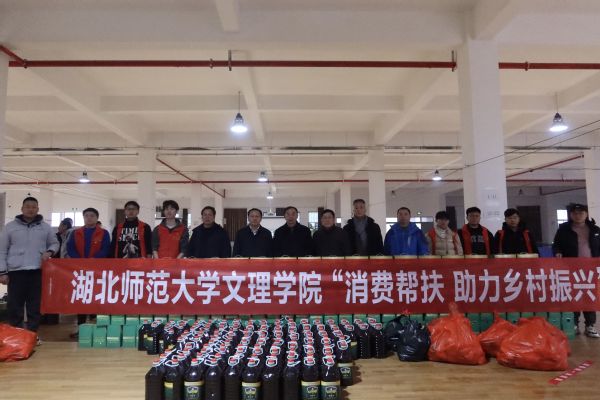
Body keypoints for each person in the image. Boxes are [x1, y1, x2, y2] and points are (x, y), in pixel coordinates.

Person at [0, 197, 59, 340]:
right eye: (27, 206)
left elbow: (55, 243)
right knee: (15, 306)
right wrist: (2, 272)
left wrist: (49, 252)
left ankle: (32, 336)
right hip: (16, 272)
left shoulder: (45, 227)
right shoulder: (10, 227)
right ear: (22, 209)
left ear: (38, 209)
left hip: (37, 271)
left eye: (33, 207)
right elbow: (2, 250)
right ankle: (16, 338)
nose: (30, 209)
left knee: (35, 307)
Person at [552, 203, 600, 338]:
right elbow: (556, 245)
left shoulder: (595, 229)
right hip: (571, 268)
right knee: (573, 295)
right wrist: (557, 252)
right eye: (574, 213)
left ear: (586, 214)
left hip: (590, 268)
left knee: (589, 296)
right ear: (571, 215)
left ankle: (590, 325)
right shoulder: (564, 229)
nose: (578, 215)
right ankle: (574, 324)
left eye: (581, 213)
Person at [65, 207, 111, 338]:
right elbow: (70, 248)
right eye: (86, 216)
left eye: (92, 216)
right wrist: (80, 261)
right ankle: (81, 328)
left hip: (97, 271)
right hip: (80, 271)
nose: (89, 218)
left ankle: (99, 328)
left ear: (97, 218)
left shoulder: (104, 233)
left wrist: (92, 261)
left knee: (98, 298)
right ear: (83, 218)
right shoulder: (75, 233)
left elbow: (105, 249)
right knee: (82, 299)